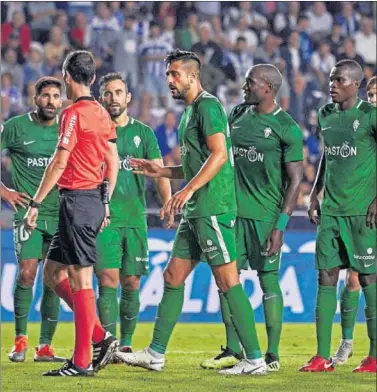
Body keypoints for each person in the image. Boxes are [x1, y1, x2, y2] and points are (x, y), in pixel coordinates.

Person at [115, 49, 267, 376]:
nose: (169, 79)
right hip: (195, 210)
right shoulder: (188, 113)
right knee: (172, 276)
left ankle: (254, 359)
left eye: (174, 74)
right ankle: (155, 354)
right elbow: (193, 165)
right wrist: (161, 172)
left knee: (228, 281)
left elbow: (219, 155)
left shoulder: (209, 107)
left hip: (212, 208)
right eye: (168, 74)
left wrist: (188, 190)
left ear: (192, 76)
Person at [201, 64, 303, 372]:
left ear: (268, 88)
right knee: (226, 281)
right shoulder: (236, 115)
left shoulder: (287, 127)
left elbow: (296, 180)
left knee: (268, 282)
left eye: (251, 83)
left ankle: (271, 354)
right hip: (232, 212)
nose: (245, 87)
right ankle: (233, 348)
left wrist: (281, 226)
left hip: (265, 217)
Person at [24, 50, 120, 377]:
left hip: (78, 200)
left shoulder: (73, 113)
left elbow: (59, 161)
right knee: (53, 272)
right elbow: (113, 160)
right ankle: (99, 337)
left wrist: (35, 203)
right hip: (88, 199)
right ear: (92, 78)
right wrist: (105, 199)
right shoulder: (103, 113)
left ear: (67, 77)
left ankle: (82, 362)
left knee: (81, 277)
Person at [300, 60, 376, 373]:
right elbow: (326, 157)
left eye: (339, 79)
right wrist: (315, 193)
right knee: (326, 276)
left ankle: (373, 356)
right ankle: (321, 356)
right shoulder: (326, 114)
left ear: (355, 85)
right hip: (330, 210)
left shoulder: (370, 116)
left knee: (367, 278)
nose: (332, 84)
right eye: (331, 78)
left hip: (361, 212)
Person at [96, 72, 172, 352]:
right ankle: (107, 344)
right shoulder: (94, 132)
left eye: (118, 92)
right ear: (100, 98)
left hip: (135, 219)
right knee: (108, 278)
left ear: (128, 98)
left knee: (131, 281)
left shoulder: (143, 133)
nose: (113, 97)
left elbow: (159, 170)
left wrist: (168, 201)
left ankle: (125, 345)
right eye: (108, 93)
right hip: (104, 220)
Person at [1, 77, 65, 363]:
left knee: (55, 279)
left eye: (56, 96)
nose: (51, 101)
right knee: (27, 273)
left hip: (60, 214)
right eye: (46, 96)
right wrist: (5, 191)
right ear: (35, 98)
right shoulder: (15, 127)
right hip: (28, 214)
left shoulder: (67, 129)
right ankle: (20, 340)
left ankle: (46, 347)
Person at [332, 74, 377, 365]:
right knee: (354, 278)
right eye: (371, 94)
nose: (374, 99)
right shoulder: (362, 127)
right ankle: (347, 342)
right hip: (362, 212)